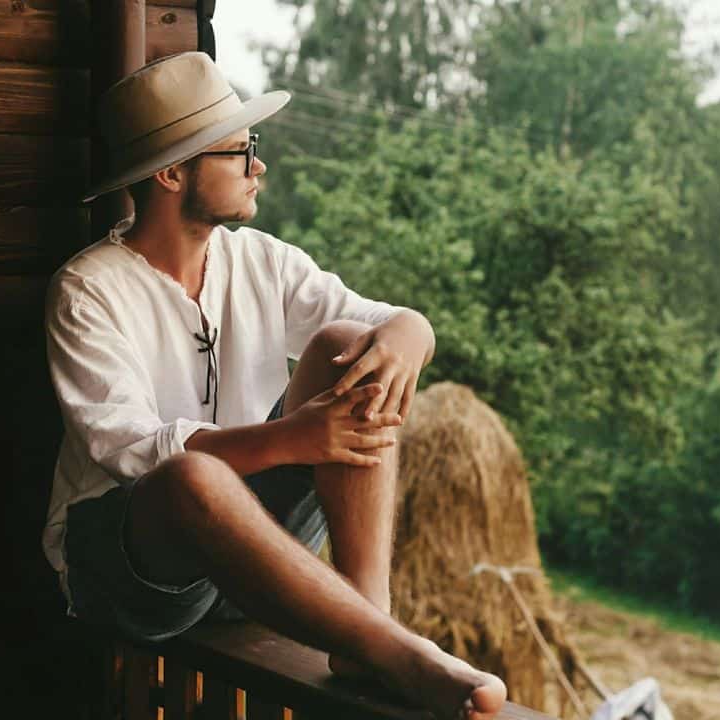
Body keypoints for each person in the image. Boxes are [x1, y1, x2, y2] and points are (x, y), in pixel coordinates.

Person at [41, 51, 507, 720]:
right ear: (172, 172)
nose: (260, 165)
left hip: (253, 549)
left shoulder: (261, 261)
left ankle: (364, 626)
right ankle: (398, 652)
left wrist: (411, 329)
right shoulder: (87, 290)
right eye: (242, 149)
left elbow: (383, 327)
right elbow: (132, 452)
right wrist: (292, 438)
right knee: (187, 477)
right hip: (132, 569)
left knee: (347, 347)